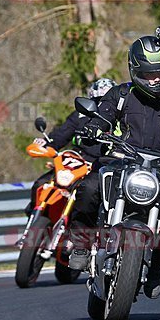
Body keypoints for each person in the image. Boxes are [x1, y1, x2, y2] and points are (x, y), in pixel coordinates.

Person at [67, 29, 160, 299]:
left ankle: (158, 265)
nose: (156, 79)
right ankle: (79, 245)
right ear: (135, 70)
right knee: (88, 188)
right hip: (121, 161)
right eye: (149, 74)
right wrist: (93, 127)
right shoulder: (119, 94)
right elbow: (103, 117)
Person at [24, 78, 117, 217]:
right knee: (41, 184)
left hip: (96, 167)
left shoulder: (118, 121)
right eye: (97, 101)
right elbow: (60, 135)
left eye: (105, 102)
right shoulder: (79, 115)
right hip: (71, 163)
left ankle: (80, 230)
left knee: (88, 193)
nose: (101, 106)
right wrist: (46, 144)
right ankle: (34, 218)